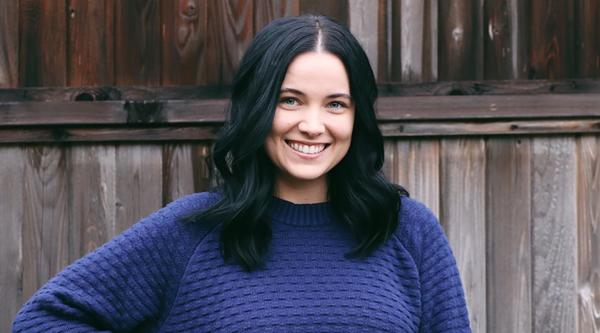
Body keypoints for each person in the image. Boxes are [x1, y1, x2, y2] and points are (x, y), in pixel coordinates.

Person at [13, 15, 471, 332]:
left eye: (335, 104)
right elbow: (44, 320)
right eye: (289, 100)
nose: (313, 125)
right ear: (256, 108)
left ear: (358, 118)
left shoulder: (408, 230)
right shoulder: (190, 232)